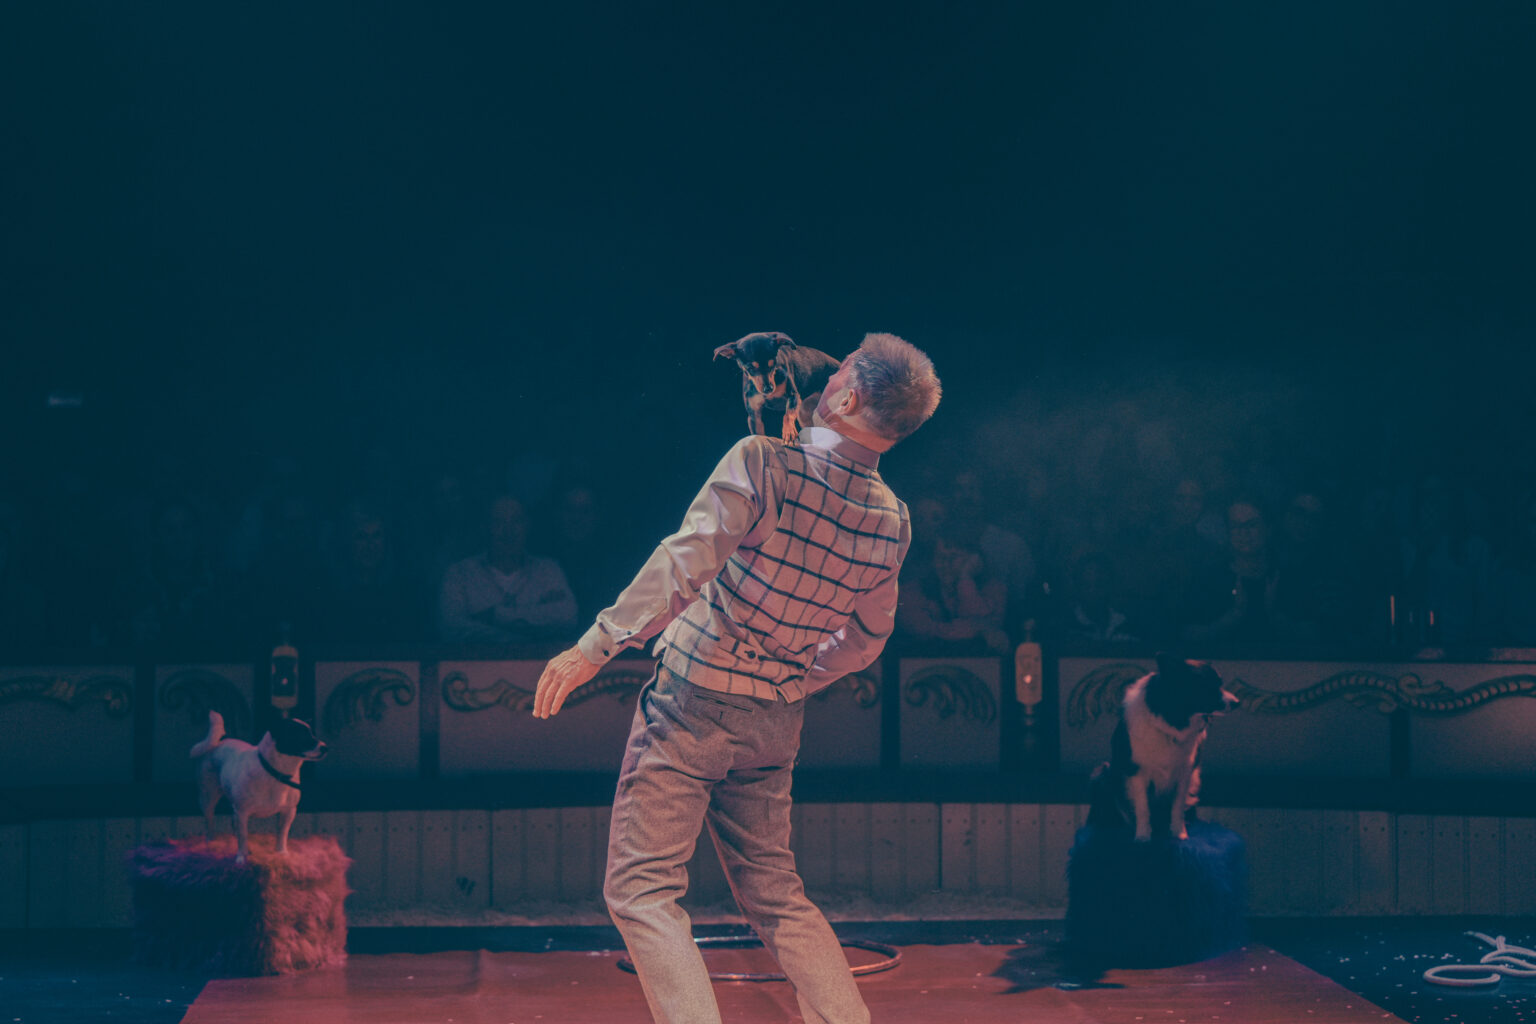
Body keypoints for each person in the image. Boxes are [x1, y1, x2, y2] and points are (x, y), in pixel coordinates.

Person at [533, 332, 941, 1024]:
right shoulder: (892, 521)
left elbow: (683, 562)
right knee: (777, 895)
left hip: (693, 700)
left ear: (847, 398)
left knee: (642, 889)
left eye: (837, 373)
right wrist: (793, 674)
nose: (823, 378)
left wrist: (594, 647)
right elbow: (867, 640)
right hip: (775, 718)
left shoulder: (764, 462)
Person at [437, 494, 578, 645]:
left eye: (516, 521)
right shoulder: (461, 574)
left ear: (527, 525)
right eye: (498, 522)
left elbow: (567, 617)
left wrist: (495, 615)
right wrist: (524, 637)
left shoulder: (548, 571)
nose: (508, 531)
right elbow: (452, 627)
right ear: (485, 526)